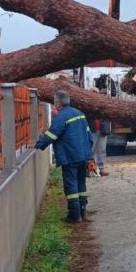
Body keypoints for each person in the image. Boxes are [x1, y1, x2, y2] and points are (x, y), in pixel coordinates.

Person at [35, 90, 94, 223]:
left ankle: (74, 215)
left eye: (54, 101)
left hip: (70, 156)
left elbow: (52, 135)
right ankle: (83, 212)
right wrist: (88, 154)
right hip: (83, 155)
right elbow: (89, 136)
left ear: (57, 102)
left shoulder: (62, 116)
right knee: (81, 183)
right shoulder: (80, 114)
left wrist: (39, 144)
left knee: (71, 185)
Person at [88, 90, 111, 176]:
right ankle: (90, 169)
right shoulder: (89, 105)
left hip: (102, 130)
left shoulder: (105, 105)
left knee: (102, 150)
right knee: (91, 150)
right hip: (92, 130)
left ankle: (101, 169)